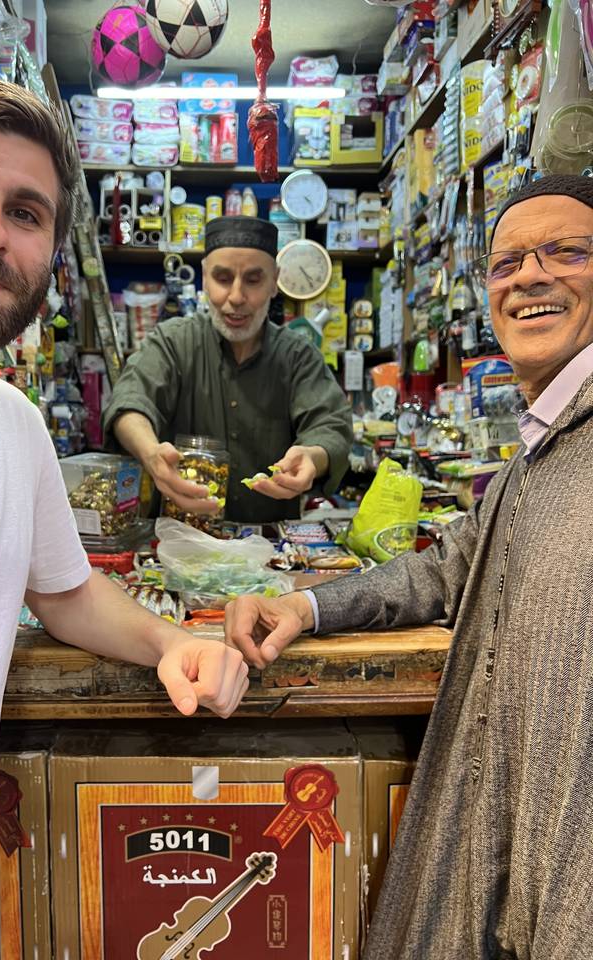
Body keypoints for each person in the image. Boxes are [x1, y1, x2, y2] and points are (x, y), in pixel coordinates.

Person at [0, 48, 248, 959]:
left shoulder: (9, 423)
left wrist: (173, 642)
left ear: (48, 254)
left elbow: (65, 591)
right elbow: (131, 406)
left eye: (26, 212)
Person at [226, 174, 593, 959]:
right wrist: (307, 609)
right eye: (507, 263)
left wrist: (318, 452)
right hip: (519, 854)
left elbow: (329, 423)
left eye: (566, 252)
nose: (530, 275)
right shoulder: (539, 454)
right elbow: (445, 566)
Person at [103, 216, 353, 523]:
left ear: (274, 281)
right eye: (222, 279)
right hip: (181, 542)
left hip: (269, 551)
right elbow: (130, 401)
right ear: (205, 277)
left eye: (252, 280)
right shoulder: (172, 342)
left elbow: (331, 427)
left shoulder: (298, 356)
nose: (235, 297)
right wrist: (150, 452)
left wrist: (313, 456)